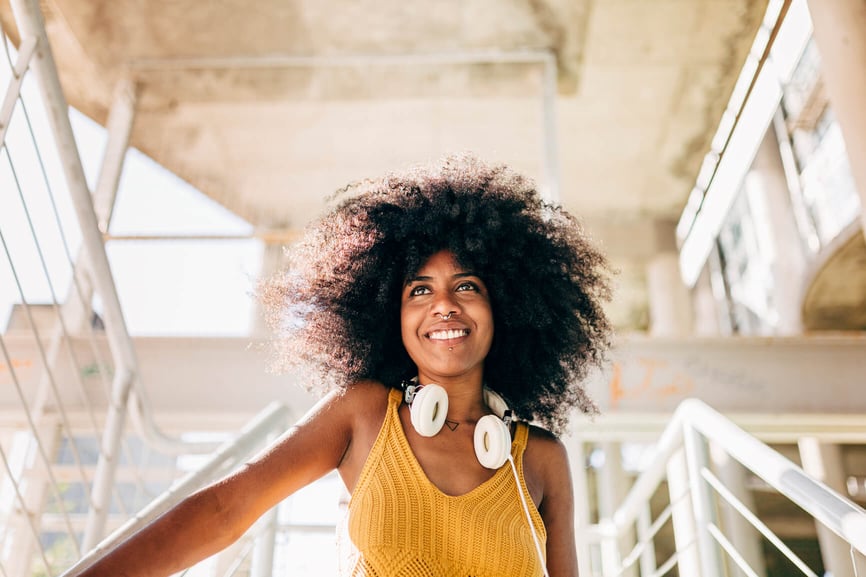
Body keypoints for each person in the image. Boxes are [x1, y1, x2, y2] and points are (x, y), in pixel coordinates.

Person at [76, 154, 612, 577]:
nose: (444, 305)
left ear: (508, 308)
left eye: (466, 286)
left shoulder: (541, 459)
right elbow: (226, 510)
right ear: (391, 316)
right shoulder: (364, 414)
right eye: (419, 290)